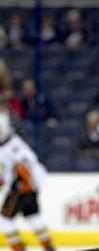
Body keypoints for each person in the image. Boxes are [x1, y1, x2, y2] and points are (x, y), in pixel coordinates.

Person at [0, 100, 55, 251]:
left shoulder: (10, 146)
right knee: (33, 216)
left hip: (21, 187)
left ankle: (19, 249)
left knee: (3, 220)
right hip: (32, 186)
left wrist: (18, 184)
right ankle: (49, 247)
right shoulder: (14, 142)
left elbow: (22, 167)